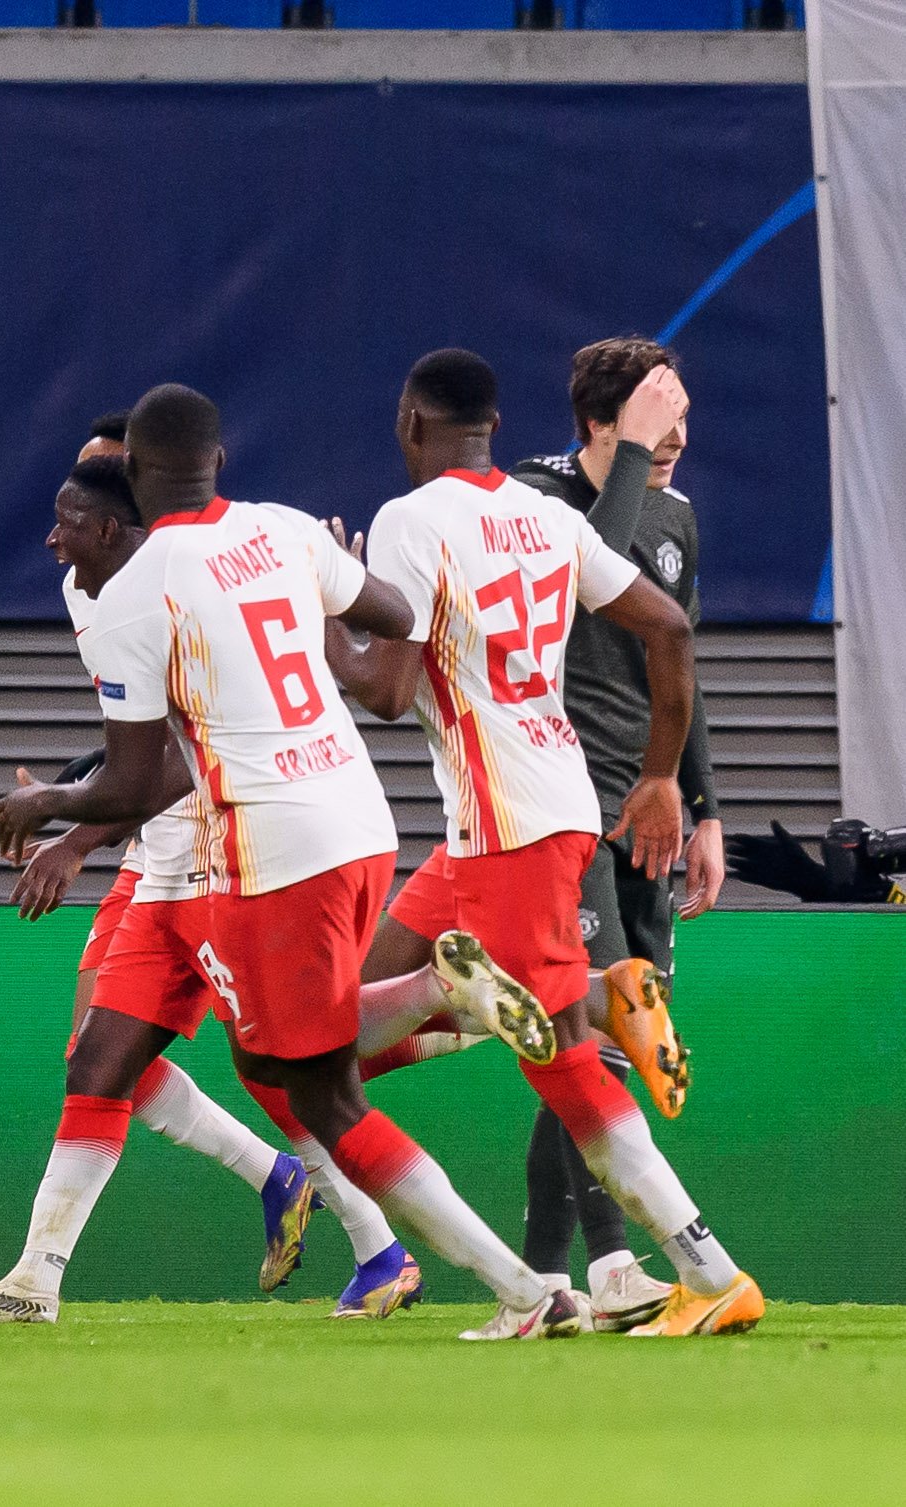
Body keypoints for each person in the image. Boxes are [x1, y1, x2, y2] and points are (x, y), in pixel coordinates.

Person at [0, 385, 581, 1339]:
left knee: (316, 1088)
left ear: (133, 477)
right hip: (358, 817)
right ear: (218, 460)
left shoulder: (135, 592)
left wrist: (45, 801)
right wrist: (329, 626)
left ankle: (524, 1284)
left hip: (267, 847)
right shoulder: (286, 529)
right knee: (214, 1058)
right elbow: (394, 612)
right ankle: (34, 1278)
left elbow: (136, 785)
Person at [330, 348, 762, 1338]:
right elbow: (668, 632)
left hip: (512, 827)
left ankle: (706, 1269)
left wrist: (330, 625)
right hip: (523, 811)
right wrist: (663, 778)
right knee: (327, 1041)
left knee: (561, 1061)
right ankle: (502, 997)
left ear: (409, 424)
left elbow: (391, 692)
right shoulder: (544, 517)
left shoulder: (409, 520)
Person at [0, 455, 329, 1324]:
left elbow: (180, 757)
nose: (52, 533)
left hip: (219, 856)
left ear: (120, 519)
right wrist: (86, 802)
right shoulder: (93, 588)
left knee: (305, 1050)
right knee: (99, 1061)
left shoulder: (181, 583)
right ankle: (36, 1282)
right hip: (156, 854)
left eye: (71, 513)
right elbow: (144, 740)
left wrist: (71, 829)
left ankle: (374, 1213)